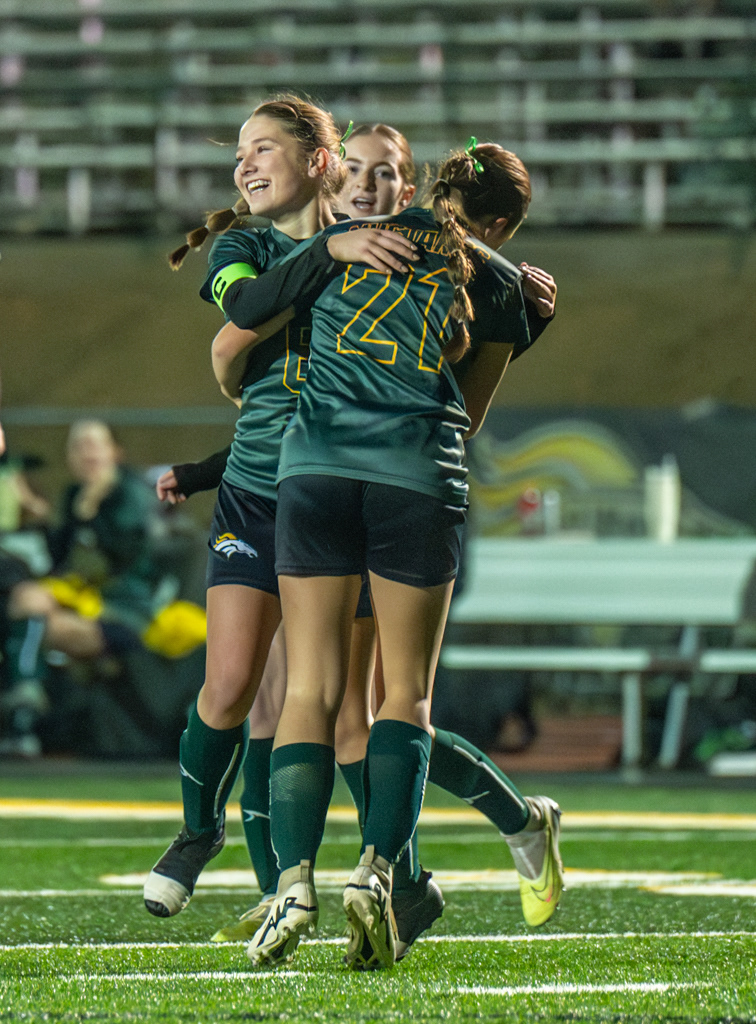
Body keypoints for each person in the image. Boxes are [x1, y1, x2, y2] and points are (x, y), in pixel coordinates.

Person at [160, 125, 563, 958]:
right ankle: (375, 875)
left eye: (387, 176)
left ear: (414, 187)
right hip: (331, 484)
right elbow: (239, 351)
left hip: (335, 482)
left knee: (341, 712)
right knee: (350, 707)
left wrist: (506, 319)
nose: (369, 189)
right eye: (359, 173)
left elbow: (239, 348)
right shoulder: (322, 253)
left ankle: (347, 879)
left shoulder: (390, 260)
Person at [143, 96, 417, 922]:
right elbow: (243, 311)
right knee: (230, 686)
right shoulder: (245, 247)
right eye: (240, 154)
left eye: (263, 148)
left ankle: (395, 875)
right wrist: (329, 250)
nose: (245, 165)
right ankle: (199, 832)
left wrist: (520, 299)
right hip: (258, 495)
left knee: (344, 713)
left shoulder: (372, 246)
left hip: (342, 499)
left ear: (318, 160)